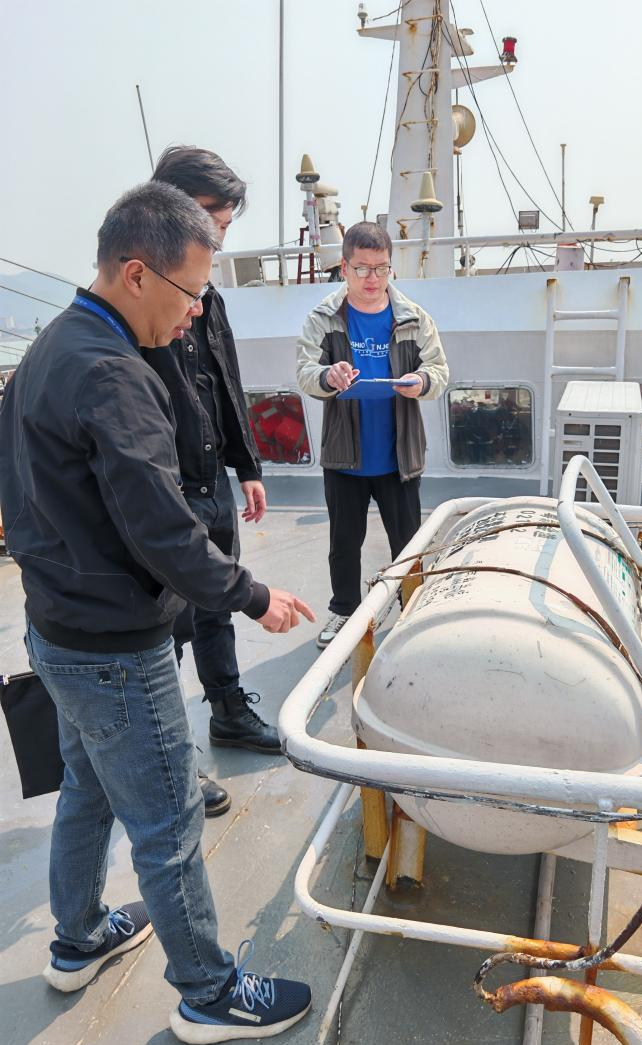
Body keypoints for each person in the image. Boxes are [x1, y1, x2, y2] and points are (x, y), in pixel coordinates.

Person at [0, 182, 314, 1042]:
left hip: (54, 629)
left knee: (87, 790)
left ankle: (76, 938)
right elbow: (164, 531)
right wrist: (253, 595)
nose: (196, 312)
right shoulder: (114, 376)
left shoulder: (48, 347)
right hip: (115, 650)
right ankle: (209, 992)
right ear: (136, 274)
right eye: (190, 292)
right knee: (167, 823)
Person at [147, 148, 276, 824]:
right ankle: (172, 754)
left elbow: (225, 382)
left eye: (223, 225)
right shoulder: (143, 298)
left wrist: (246, 465)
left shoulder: (210, 297)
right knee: (165, 625)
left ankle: (228, 710)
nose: (218, 237)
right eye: (210, 220)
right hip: (163, 487)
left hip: (210, 480)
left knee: (217, 603)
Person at [296, 221, 449, 647]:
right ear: (344, 268)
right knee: (344, 543)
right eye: (362, 268)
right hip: (345, 456)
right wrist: (328, 376)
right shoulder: (323, 319)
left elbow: (439, 371)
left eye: (381, 268)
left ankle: (412, 612)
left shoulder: (413, 317)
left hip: (399, 456)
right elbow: (305, 372)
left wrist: (422, 381)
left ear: (390, 267)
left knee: (409, 543)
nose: (372, 278)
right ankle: (343, 611)